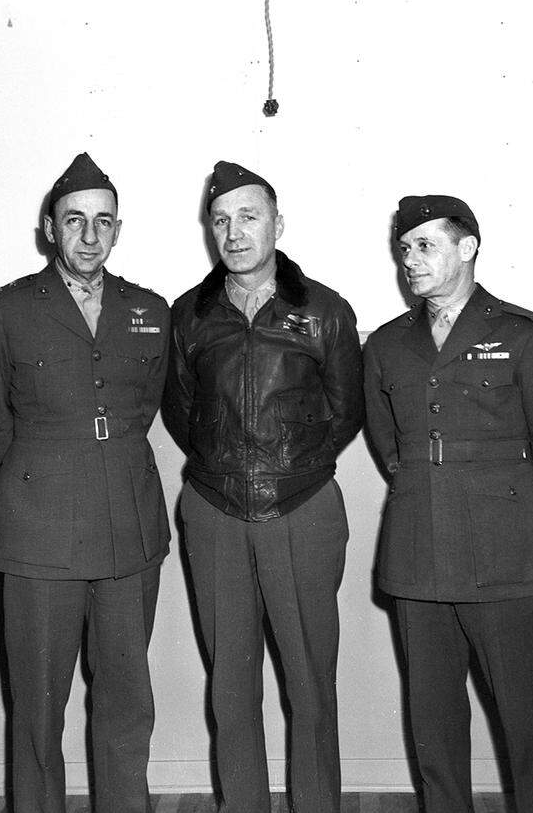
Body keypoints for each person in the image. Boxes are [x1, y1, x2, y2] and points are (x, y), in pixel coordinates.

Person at [363, 195, 533, 813]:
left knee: (530, 722)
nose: (411, 259)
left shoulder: (522, 334)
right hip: (417, 550)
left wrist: (500, 499)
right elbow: (390, 444)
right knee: (433, 725)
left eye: (426, 245)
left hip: (507, 552)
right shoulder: (386, 345)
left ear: (468, 248)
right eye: (404, 248)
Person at [0, 152, 170, 813]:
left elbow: (152, 404)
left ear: (118, 230)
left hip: (129, 527)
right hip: (39, 532)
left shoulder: (149, 309)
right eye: (75, 220)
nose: (89, 235)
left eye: (103, 222)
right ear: (49, 228)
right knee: (38, 704)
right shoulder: (3, 311)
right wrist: (37, 480)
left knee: (125, 698)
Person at [162, 161, 364, 813]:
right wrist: (228, 466)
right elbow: (180, 409)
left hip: (302, 511)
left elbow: (347, 410)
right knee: (231, 686)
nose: (234, 230)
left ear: (278, 223)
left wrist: (289, 468)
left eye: (248, 215)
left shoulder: (326, 311)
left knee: (310, 685)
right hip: (214, 511)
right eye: (221, 219)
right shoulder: (189, 315)